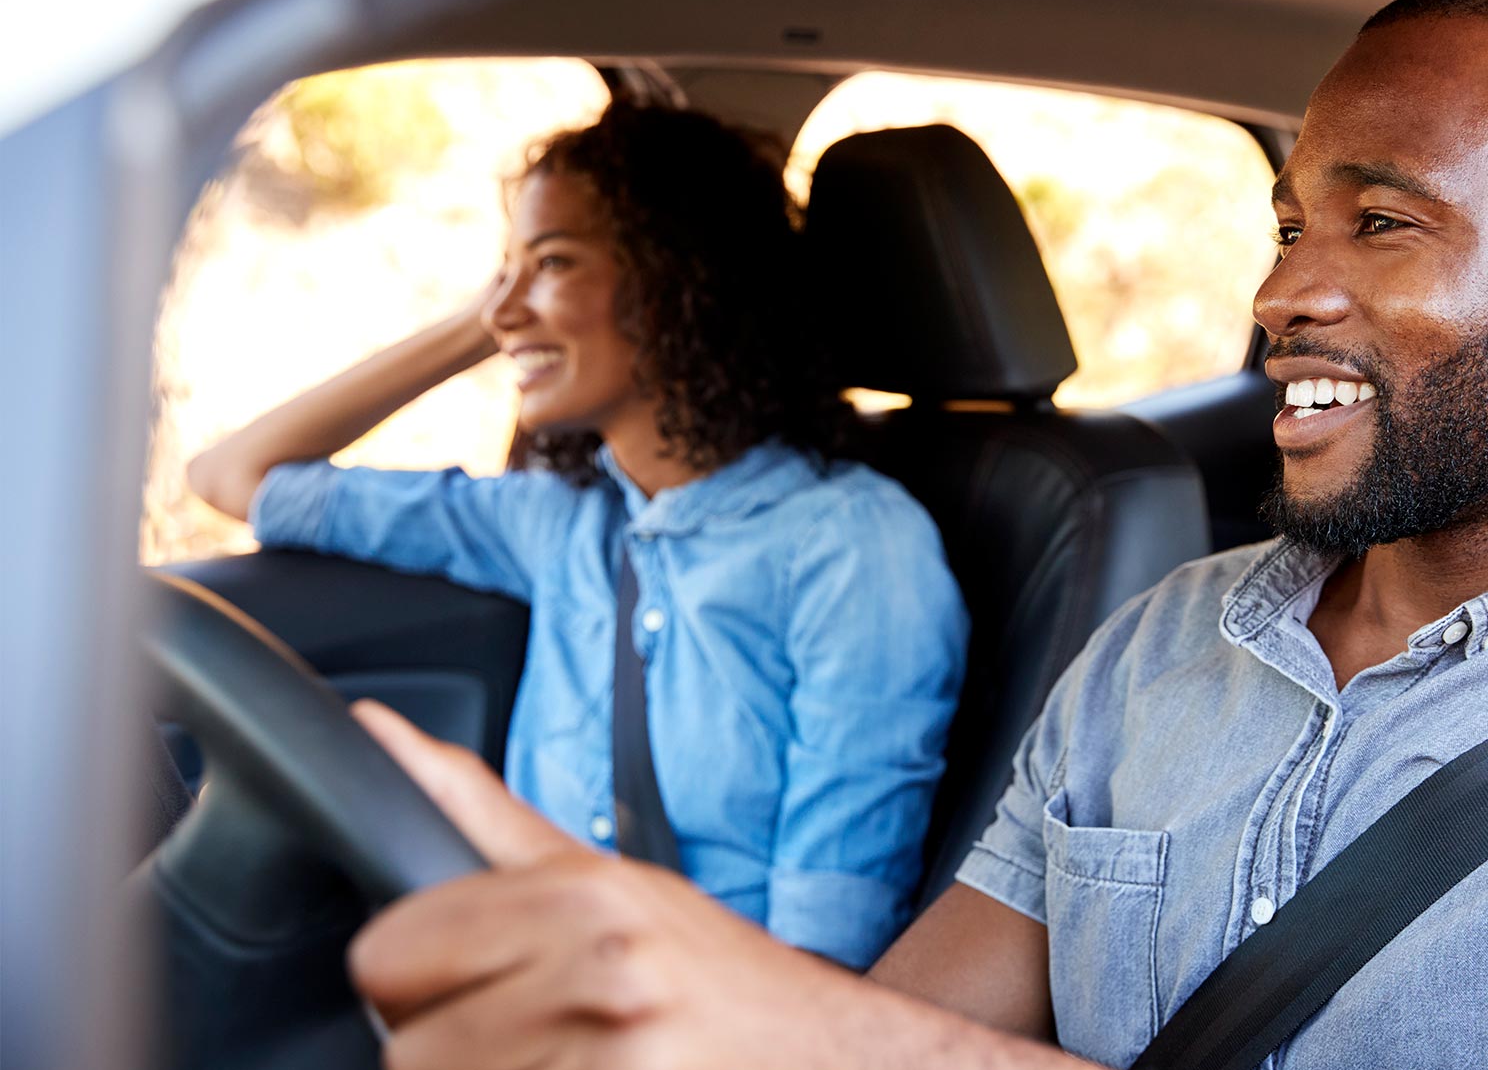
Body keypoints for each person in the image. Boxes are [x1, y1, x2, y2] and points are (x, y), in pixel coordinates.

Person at [343, 0, 1488, 1070]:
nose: (1284, 292)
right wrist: (663, 1000)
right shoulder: (1168, 639)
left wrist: (844, 1064)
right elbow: (898, 1045)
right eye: (1289, 222)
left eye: (1380, 224)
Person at [187, 101, 969, 970]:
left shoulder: (855, 549)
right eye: (502, 275)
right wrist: (482, 323)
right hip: (529, 981)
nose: (505, 312)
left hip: (716, 1034)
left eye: (552, 263)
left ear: (683, 282)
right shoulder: (555, 519)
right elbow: (233, 479)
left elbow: (822, 960)